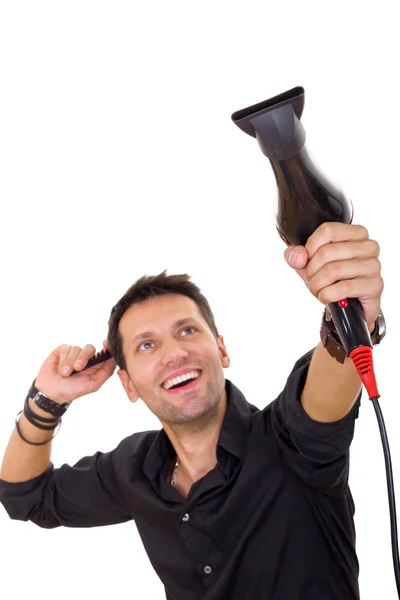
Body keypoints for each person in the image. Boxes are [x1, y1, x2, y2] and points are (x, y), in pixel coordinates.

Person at [0, 222, 384, 600]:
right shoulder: (133, 469)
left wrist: (351, 314)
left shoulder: (291, 440)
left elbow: (328, 380)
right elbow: (24, 495)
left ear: (222, 350)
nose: (175, 353)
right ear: (129, 384)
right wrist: (47, 401)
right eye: (146, 346)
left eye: (186, 331)